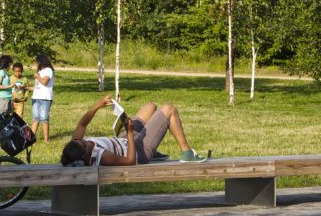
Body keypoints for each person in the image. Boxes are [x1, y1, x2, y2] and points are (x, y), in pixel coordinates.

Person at [60, 95, 209, 166]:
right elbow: (130, 161)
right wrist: (130, 133)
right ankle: (187, 153)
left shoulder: (77, 144)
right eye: (86, 144)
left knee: (150, 106)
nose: (87, 142)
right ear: (85, 154)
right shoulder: (100, 156)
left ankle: (154, 150)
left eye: (82, 140)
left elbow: (82, 125)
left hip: (124, 140)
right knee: (169, 109)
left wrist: (97, 106)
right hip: (137, 150)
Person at [30, 54, 54, 142]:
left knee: (44, 118)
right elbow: (38, 86)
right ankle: (31, 139)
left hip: (45, 98)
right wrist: (26, 88)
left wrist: (37, 76)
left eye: (37, 62)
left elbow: (45, 82)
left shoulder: (48, 70)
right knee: (35, 118)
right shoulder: (39, 71)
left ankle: (46, 140)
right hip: (36, 97)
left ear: (41, 62)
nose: (36, 63)